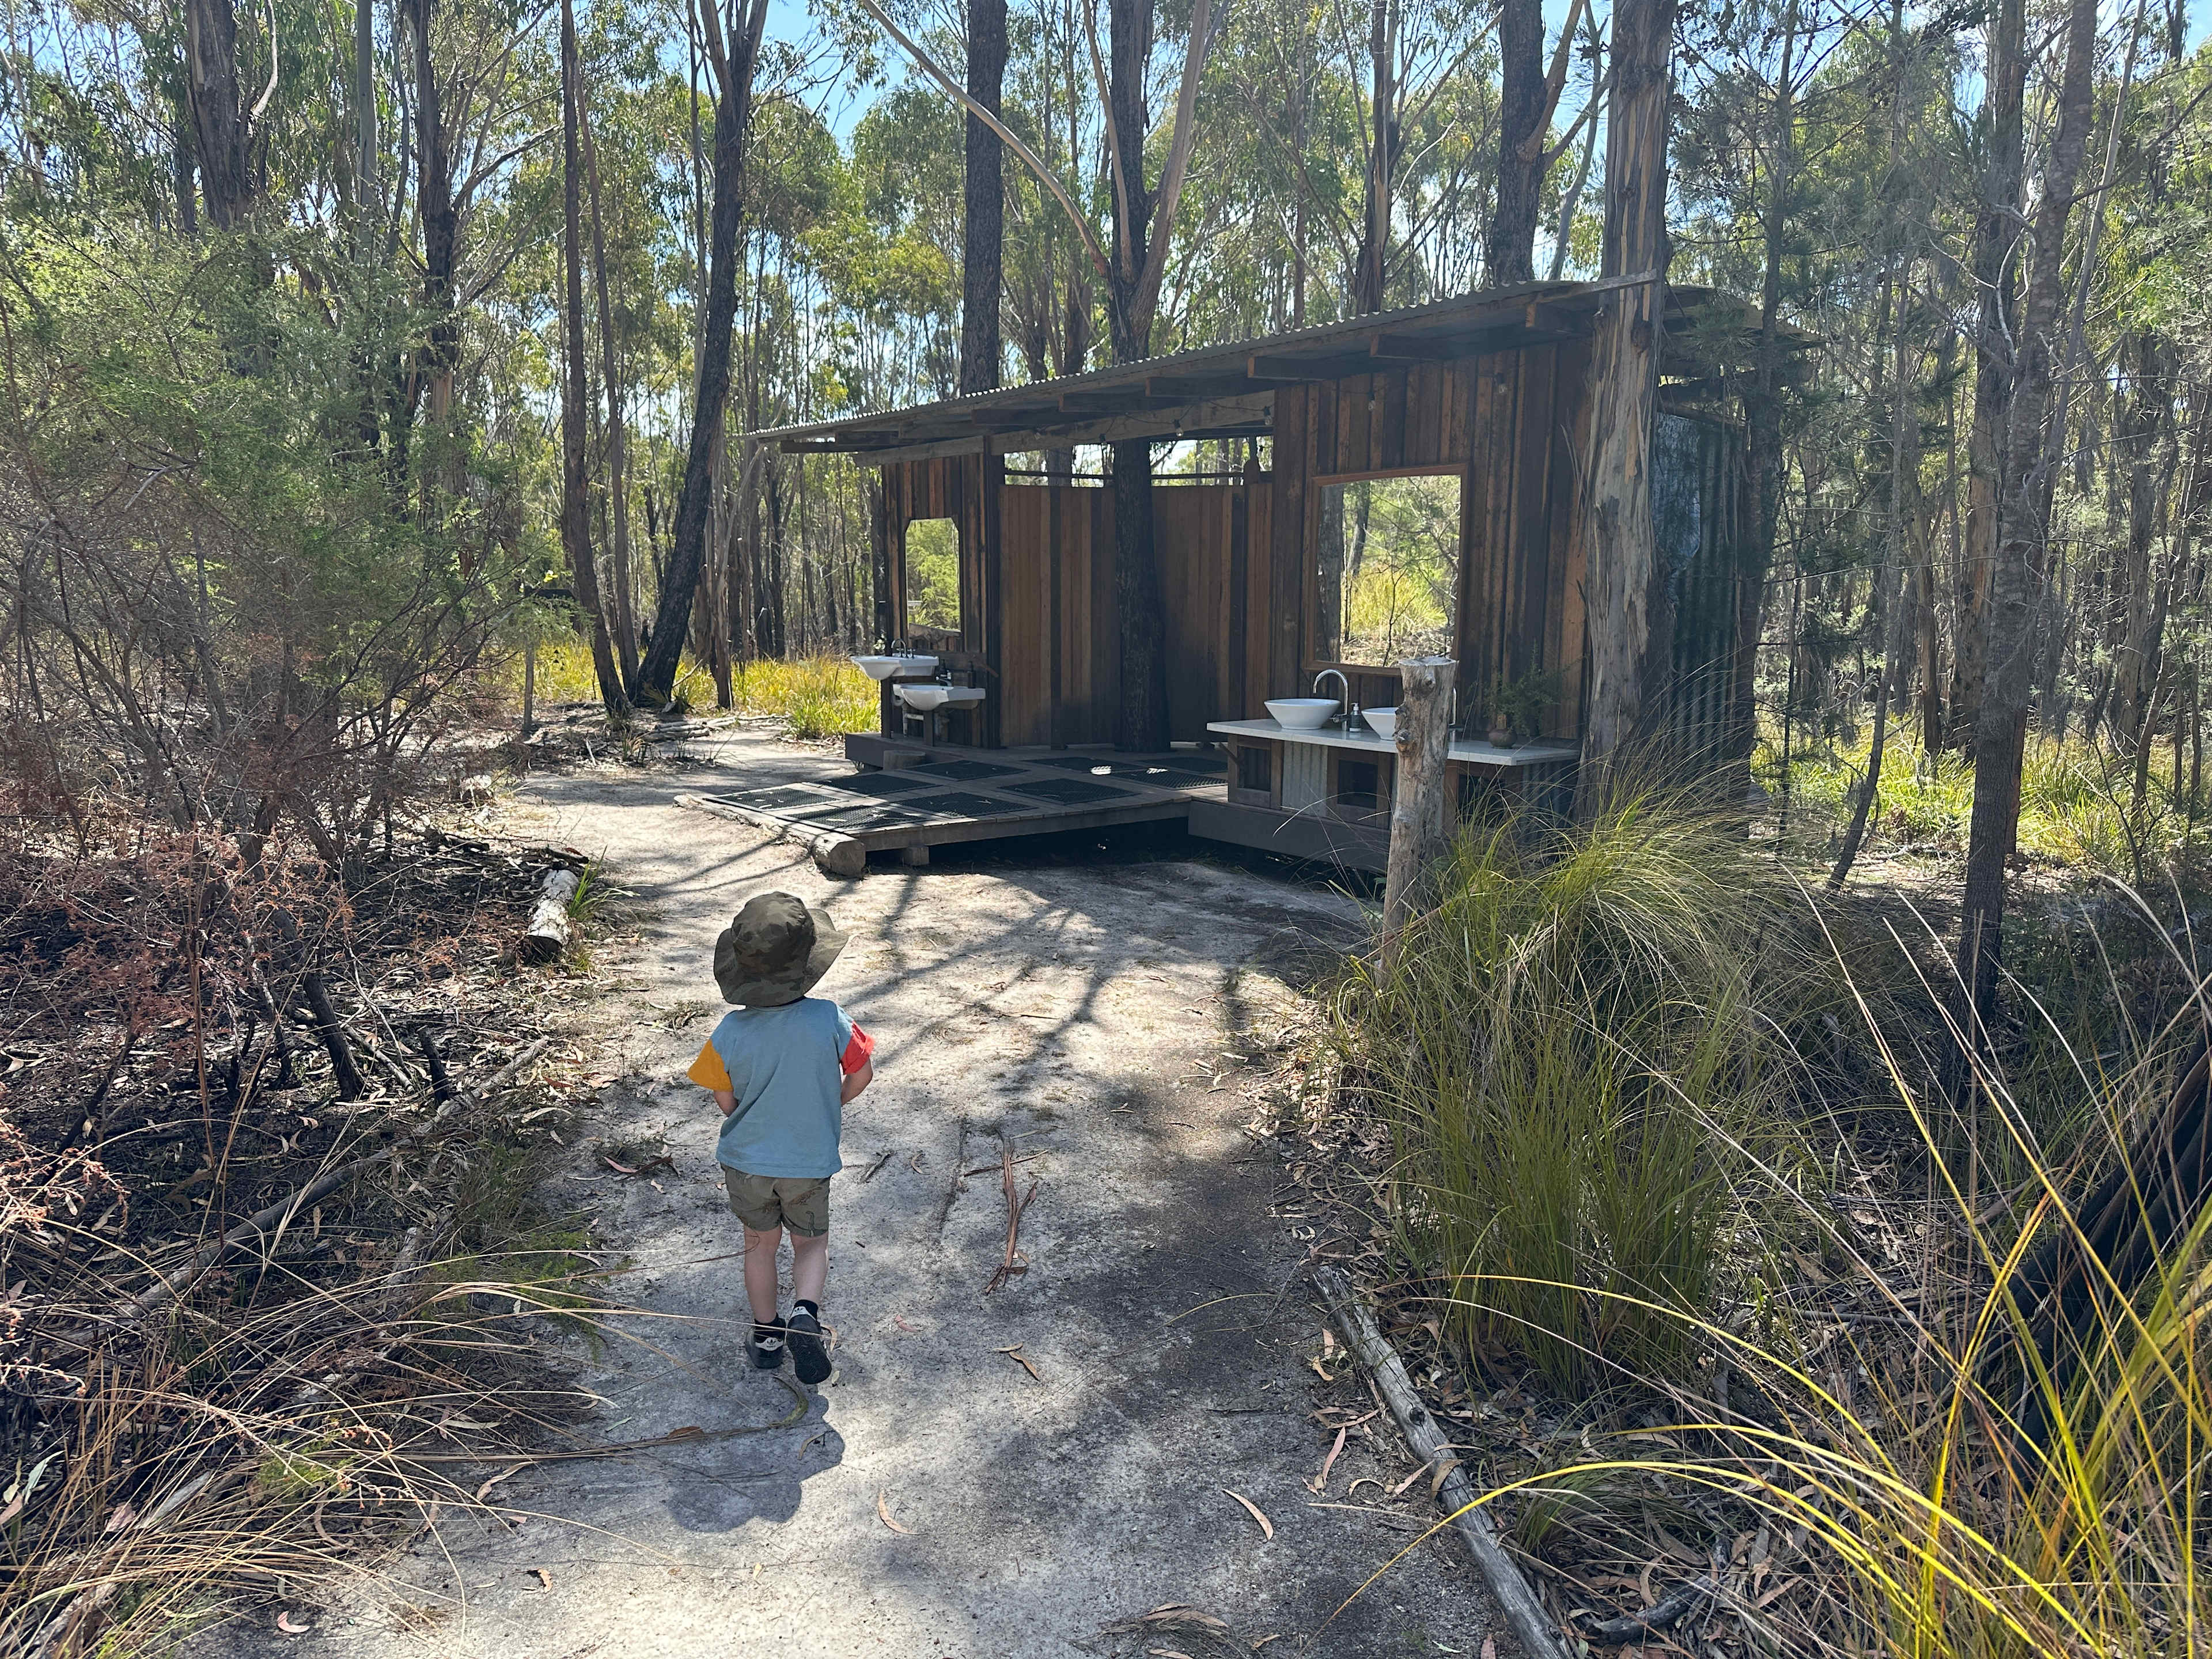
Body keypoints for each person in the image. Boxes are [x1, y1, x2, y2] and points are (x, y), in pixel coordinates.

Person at [687, 892, 873, 1385]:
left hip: (746, 1163)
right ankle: (805, 1315)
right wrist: (829, 1102)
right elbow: (861, 1074)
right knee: (811, 1245)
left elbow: (724, 1100)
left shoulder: (728, 1031)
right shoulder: (830, 1019)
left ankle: (767, 1337)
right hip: (808, 1162)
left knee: (759, 1245)